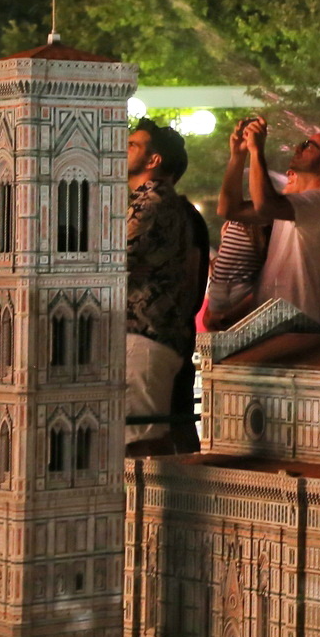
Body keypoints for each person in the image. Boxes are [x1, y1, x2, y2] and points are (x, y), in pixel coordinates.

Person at [124, 119, 206, 448]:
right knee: (143, 437)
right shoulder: (151, 202)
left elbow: (112, 261)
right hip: (148, 336)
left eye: (132, 145)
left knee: (140, 442)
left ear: (154, 160)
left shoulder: (152, 202)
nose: (121, 149)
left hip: (144, 336)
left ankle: (151, 501)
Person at [220, 117, 320, 320]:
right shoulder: (294, 205)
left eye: (308, 145)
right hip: (272, 322)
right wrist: (237, 156)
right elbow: (230, 209)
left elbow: (264, 204)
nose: (298, 148)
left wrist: (256, 151)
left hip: (295, 322)